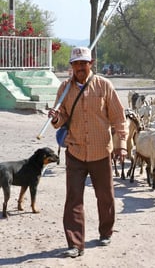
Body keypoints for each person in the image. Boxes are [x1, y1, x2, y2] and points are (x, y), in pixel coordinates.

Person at [48, 47, 128, 258]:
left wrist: (121, 145)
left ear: (91, 63)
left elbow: (119, 118)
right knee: (73, 198)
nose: (80, 68)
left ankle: (105, 232)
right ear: (71, 66)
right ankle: (75, 244)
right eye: (76, 64)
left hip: (101, 151)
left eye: (83, 63)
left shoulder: (104, 85)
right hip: (75, 150)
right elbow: (61, 118)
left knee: (105, 196)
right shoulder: (65, 88)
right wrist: (55, 117)